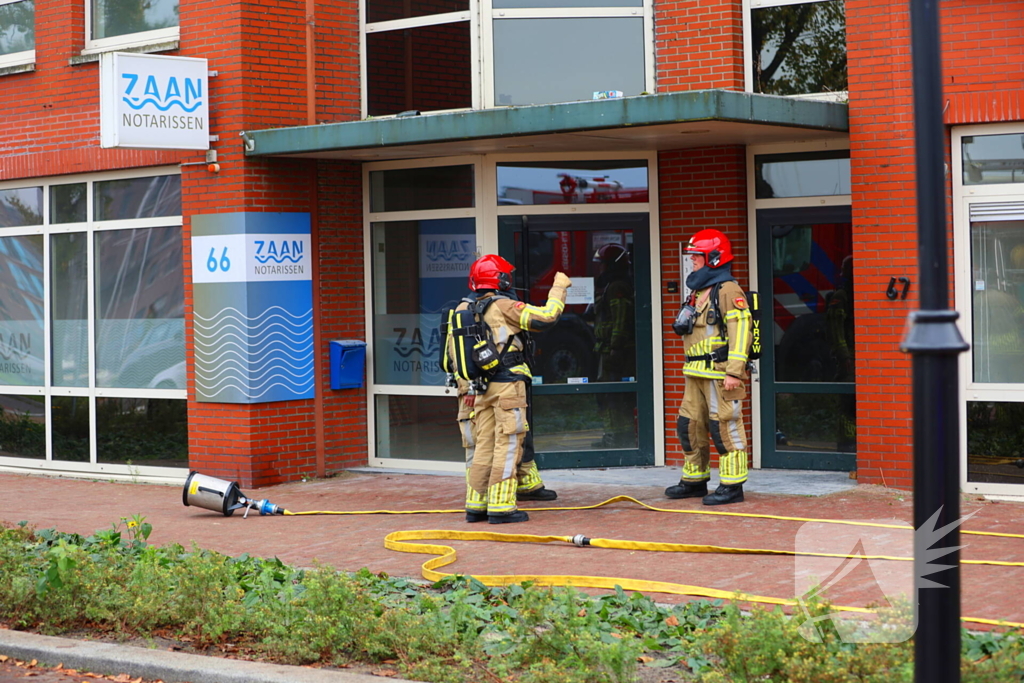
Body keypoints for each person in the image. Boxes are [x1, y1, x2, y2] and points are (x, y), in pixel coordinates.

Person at [452, 254, 571, 524]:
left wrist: (467, 389)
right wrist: (559, 287)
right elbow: (546, 318)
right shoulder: (503, 306)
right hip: (507, 387)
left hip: (479, 388)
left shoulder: (461, 309)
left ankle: (476, 505)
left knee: (484, 446)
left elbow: (453, 355)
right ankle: (502, 507)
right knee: (508, 445)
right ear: (501, 280)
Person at [666, 229, 753, 506]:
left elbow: (742, 331)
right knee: (689, 426)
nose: (692, 263)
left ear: (714, 258)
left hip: (719, 374)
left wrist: (734, 372)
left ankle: (732, 486)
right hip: (696, 374)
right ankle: (695, 480)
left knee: (724, 428)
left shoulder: (728, 290)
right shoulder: (700, 291)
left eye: (696, 258)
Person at [591, 243, 636, 448]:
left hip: (614, 351)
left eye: (602, 264)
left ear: (611, 265)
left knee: (612, 396)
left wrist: (615, 348)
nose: (599, 269)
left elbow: (621, 319)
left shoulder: (617, 287)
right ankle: (613, 434)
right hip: (607, 348)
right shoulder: (612, 285)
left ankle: (617, 437)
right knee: (608, 396)